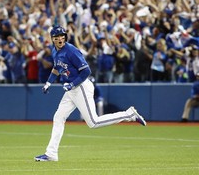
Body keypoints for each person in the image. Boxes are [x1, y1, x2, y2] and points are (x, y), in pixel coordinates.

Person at [34, 25, 147, 162]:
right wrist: (48, 83)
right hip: (71, 90)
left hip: (80, 86)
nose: (60, 39)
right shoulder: (54, 51)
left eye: (62, 36)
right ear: (52, 39)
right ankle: (51, 154)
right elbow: (56, 68)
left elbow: (86, 71)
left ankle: (129, 114)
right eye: (57, 37)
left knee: (93, 122)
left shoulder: (71, 50)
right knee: (58, 117)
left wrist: (72, 84)